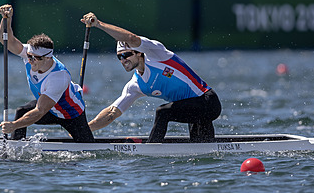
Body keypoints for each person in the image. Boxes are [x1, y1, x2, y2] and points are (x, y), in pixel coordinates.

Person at [81, 12, 221, 143]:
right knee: (202, 148)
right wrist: (84, 129)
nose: (123, 60)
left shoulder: (157, 54)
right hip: (191, 109)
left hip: (207, 101)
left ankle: (151, 149)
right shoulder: (135, 85)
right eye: (119, 57)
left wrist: (98, 24)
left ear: (139, 53)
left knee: (162, 112)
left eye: (126, 55)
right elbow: (112, 113)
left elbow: (131, 38)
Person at [0, 4, 94, 143]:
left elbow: (40, 111)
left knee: (88, 148)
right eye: (29, 56)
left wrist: (13, 125)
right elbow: (6, 40)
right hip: (50, 108)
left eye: (35, 58)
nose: (30, 61)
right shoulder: (30, 55)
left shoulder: (59, 76)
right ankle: (13, 149)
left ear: (48, 58)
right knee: (21, 112)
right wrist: (6, 18)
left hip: (71, 114)